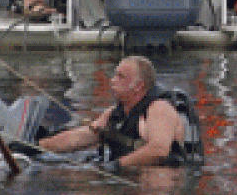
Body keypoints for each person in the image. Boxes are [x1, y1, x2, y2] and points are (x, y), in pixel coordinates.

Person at [39, 56, 189, 170]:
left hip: (161, 182)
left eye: (120, 76)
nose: (112, 81)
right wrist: (38, 145)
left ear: (138, 86)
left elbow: (159, 150)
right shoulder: (115, 113)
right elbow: (79, 138)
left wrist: (116, 166)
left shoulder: (159, 109)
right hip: (128, 175)